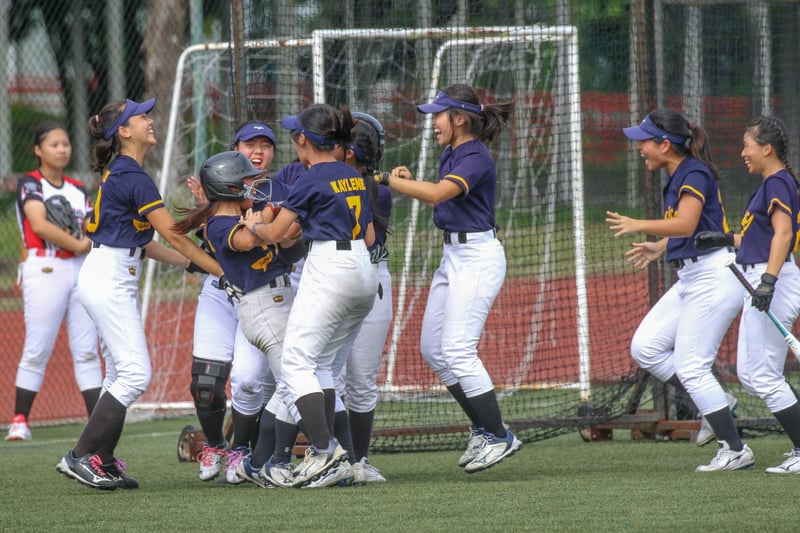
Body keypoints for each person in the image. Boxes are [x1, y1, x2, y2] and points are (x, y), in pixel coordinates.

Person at [55, 98, 225, 491]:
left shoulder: (125, 170)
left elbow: (146, 241)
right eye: (142, 116)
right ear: (124, 132)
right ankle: (80, 455)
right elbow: (172, 233)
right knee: (136, 374)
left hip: (112, 272)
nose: (151, 120)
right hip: (110, 276)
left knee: (119, 372)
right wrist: (218, 267)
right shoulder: (132, 175)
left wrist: (193, 265)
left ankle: (103, 459)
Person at [380, 84, 522, 473]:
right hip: (454, 255)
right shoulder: (453, 152)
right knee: (433, 349)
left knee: (458, 349)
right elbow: (438, 191)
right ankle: (482, 426)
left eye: (438, 115)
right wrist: (405, 181)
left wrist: (387, 180)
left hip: (477, 256)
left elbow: (440, 194)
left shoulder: (476, 156)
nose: (433, 122)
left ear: (459, 118)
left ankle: (500, 435)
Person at [240, 103, 378, 487]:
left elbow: (279, 233)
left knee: (296, 362)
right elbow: (368, 235)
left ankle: (324, 450)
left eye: (293, 135)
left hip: (329, 267)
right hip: (363, 267)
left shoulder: (310, 177)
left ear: (304, 140)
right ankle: (339, 458)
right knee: (321, 365)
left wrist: (255, 224)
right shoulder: (352, 175)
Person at [606, 108, 748, 471]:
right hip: (692, 277)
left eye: (644, 141)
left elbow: (686, 224)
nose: (639, 148)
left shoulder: (694, 172)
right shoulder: (679, 173)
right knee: (646, 347)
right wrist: (660, 247)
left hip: (714, 276)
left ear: (665, 144)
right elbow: (690, 229)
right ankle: (718, 402)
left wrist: (639, 225)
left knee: (691, 367)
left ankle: (734, 449)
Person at [695, 115, 800, 473]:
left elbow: (783, 236)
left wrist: (768, 282)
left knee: (763, 375)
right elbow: (761, 240)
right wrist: (726, 239)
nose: (743, 153)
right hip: (764, 275)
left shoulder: (778, 183)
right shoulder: (772, 183)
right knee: (754, 373)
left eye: (747, 145)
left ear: (766, 149)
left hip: (774, 280)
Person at [184, 121, 281, 484]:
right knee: (205, 383)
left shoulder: (278, 190)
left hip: (258, 294)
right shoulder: (218, 195)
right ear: (234, 149)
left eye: (265, 144)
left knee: (247, 380)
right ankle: (214, 443)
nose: (258, 151)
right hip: (219, 291)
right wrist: (212, 209)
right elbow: (204, 249)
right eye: (249, 144)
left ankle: (241, 448)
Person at [7, 121, 102, 442]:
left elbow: (91, 223)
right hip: (46, 267)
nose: (62, 149)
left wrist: (89, 238)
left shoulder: (76, 187)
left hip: (81, 269)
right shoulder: (30, 184)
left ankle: (98, 422)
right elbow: (39, 224)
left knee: (87, 350)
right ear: (38, 150)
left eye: (65, 144)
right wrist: (78, 244)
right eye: (54, 144)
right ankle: (20, 420)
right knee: (37, 348)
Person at [331, 112, 393, 484]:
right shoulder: (324, 178)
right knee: (331, 375)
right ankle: (340, 458)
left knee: (361, 378)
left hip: (371, 279)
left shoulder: (376, 189)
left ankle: (359, 459)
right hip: (333, 280)